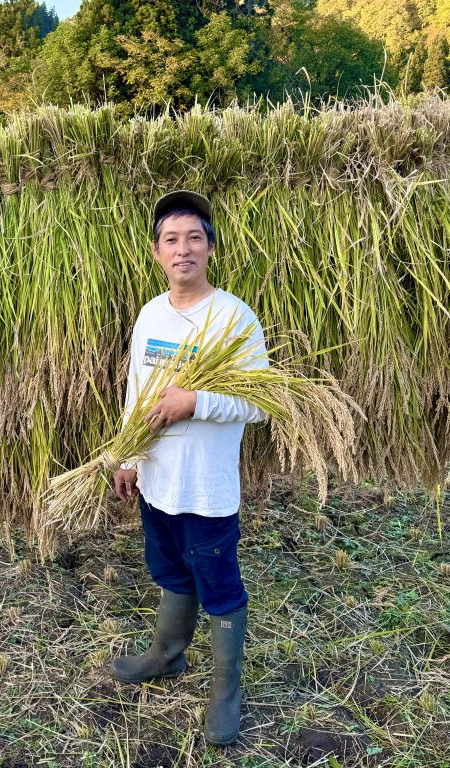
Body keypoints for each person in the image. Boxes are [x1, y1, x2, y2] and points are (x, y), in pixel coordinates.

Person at [110, 189, 269, 747]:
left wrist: (195, 402)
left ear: (210, 249)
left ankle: (226, 689)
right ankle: (167, 655)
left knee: (218, 585)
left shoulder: (233, 318)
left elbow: (259, 403)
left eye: (194, 238)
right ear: (156, 252)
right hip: (158, 482)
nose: (184, 249)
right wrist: (128, 457)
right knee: (170, 572)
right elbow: (137, 392)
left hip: (207, 489)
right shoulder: (150, 314)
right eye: (172, 239)